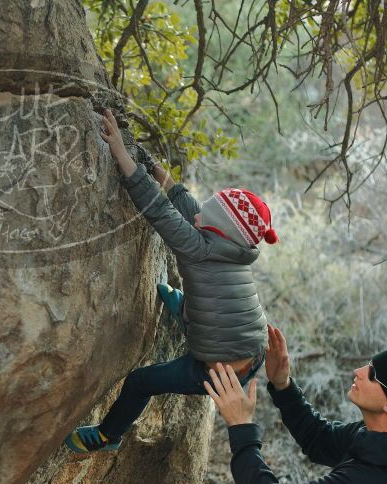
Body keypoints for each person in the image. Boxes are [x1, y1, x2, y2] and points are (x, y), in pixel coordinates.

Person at [65, 108, 279, 453]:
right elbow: (183, 201)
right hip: (251, 349)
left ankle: (108, 436)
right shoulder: (234, 247)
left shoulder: (197, 248)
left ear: (217, 229)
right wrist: (150, 164)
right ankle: (184, 309)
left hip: (218, 374)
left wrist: (121, 154)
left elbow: (159, 210)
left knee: (139, 382)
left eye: (204, 217)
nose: (197, 216)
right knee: (201, 299)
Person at [205, 324, 387, 484]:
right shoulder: (386, 439)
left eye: (372, 374)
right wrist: (282, 385)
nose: (358, 371)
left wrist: (241, 426)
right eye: (368, 364)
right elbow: (319, 438)